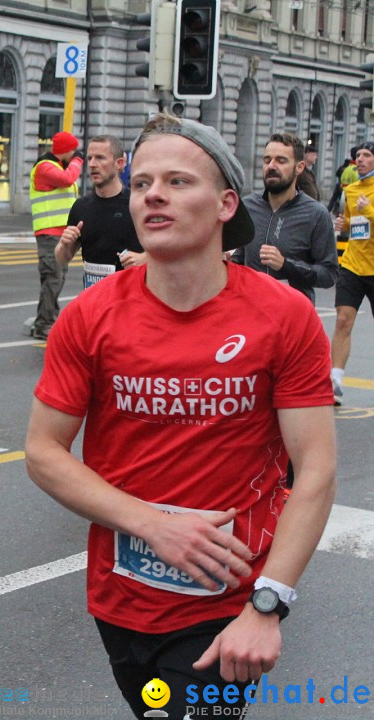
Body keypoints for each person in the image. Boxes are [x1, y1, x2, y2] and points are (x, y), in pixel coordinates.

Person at [26, 113, 336, 720]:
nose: (153, 195)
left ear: (225, 204)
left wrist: (268, 604)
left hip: (228, 606)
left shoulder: (283, 317)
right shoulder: (89, 317)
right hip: (119, 601)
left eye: (176, 181)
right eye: (141, 183)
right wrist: (153, 524)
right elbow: (43, 451)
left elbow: (317, 471)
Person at [231, 132, 337, 305]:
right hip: (251, 309)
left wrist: (286, 265)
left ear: (299, 167)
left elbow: (328, 274)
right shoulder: (248, 206)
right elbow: (241, 256)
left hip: (293, 314)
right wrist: (228, 262)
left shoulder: (316, 213)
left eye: (281, 161)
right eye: (267, 160)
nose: (271, 166)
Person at [55, 134, 144, 289]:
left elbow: (171, 250)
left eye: (100, 158)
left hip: (130, 301)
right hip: (93, 302)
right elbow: (62, 258)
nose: (92, 164)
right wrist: (64, 244)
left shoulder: (137, 203)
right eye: (89, 159)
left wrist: (145, 258)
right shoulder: (81, 207)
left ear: (119, 163)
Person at [329, 141, 374, 405]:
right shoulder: (352, 189)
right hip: (353, 265)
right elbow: (352, 224)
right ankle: (335, 380)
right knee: (343, 320)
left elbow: (365, 215)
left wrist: (367, 210)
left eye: (367, 155)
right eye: (358, 156)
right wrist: (343, 223)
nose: (361, 160)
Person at [29, 131, 83, 338]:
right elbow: (67, 179)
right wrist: (77, 161)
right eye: (73, 150)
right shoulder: (45, 167)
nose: (76, 154)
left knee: (56, 278)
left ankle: (47, 320)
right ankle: (44, 324)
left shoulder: (55, 166)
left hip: (60, 233)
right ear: (66, 151)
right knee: (53, 278)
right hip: (49, 232)